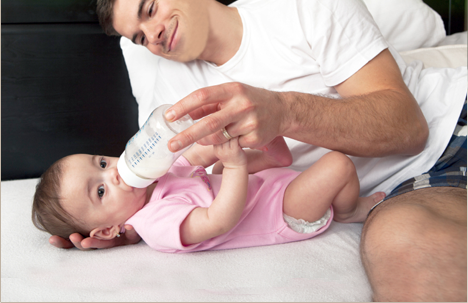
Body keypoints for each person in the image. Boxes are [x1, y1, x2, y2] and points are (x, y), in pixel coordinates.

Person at [50, 0, 467, 300]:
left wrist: (284, 111)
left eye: (150, 8)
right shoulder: (169, 100)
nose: (153, 36)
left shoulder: (303, 9)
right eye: (139, 38)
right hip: (409, 189)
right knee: (409, 255)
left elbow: (408, 128)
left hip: (450, 122)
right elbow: (181, 197)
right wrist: (131, 225)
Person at [33, 136, 385, 253]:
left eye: (102, 162)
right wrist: (234, 164)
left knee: (215, 166)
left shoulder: (157, 176)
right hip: (280, 212)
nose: (113, 173)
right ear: (108, 230)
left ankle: (279, 157)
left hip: (261, 188)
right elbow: (219, 220)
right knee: (338, 164)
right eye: (100, 190)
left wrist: (218, 138)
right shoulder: (155, 223)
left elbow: (197, 154)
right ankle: (349, 210)